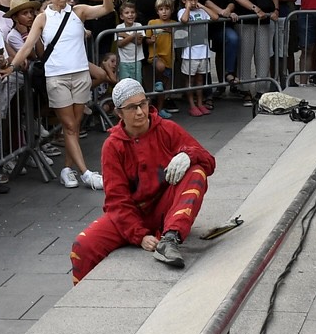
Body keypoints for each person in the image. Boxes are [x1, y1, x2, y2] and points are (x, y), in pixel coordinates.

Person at [68, 78, 215, 281]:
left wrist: (190, 155)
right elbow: (117, 200)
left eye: (143, 104)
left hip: (165, 208)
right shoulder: (112, 146)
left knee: (196, 172)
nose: (140, 111)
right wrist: (139, 235)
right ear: (119, 113)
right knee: (82, 246)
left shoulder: (167, 129)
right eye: (132, 107)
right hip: (129, 215)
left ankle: (171, 238)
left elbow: (208, 161)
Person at [11, 0, 106, 191]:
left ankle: (66, 169)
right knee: (70, 126)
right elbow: (27, 47)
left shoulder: (78, 11)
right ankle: (86, 173)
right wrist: (11, 66)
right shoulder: (42, 18)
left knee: (73, 127)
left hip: (81, 74)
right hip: (57, 77)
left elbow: (105, 9)